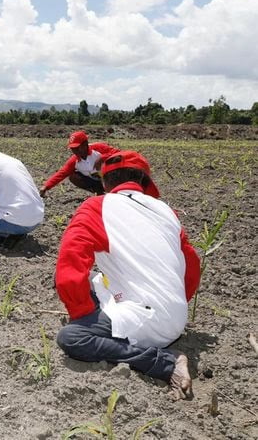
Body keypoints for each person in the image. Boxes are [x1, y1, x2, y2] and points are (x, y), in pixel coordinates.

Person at [54, 150, 201, 399]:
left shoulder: (96, 207)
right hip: (174, 314)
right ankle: (132, 327)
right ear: (145, 182)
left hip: (148, 317)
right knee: (94, 280)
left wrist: (82, 315)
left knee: (73, 337)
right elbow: (192, 266)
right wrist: (174, 302)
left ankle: (166, 363)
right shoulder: (167, 212)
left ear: (104, 183)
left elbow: (69, 267)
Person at [39, 131, 118, 197]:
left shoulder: (98, 148)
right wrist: (46, 186)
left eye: (77, 148)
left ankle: (117, 190)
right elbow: (62, 173)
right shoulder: (74, 160)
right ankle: (99, 191)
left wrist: (102, 158)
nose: (75, 151)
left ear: (85, 144)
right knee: (73, 176)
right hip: (97, 181)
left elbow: (120, 153)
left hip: (112, 177)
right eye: (72, 149)